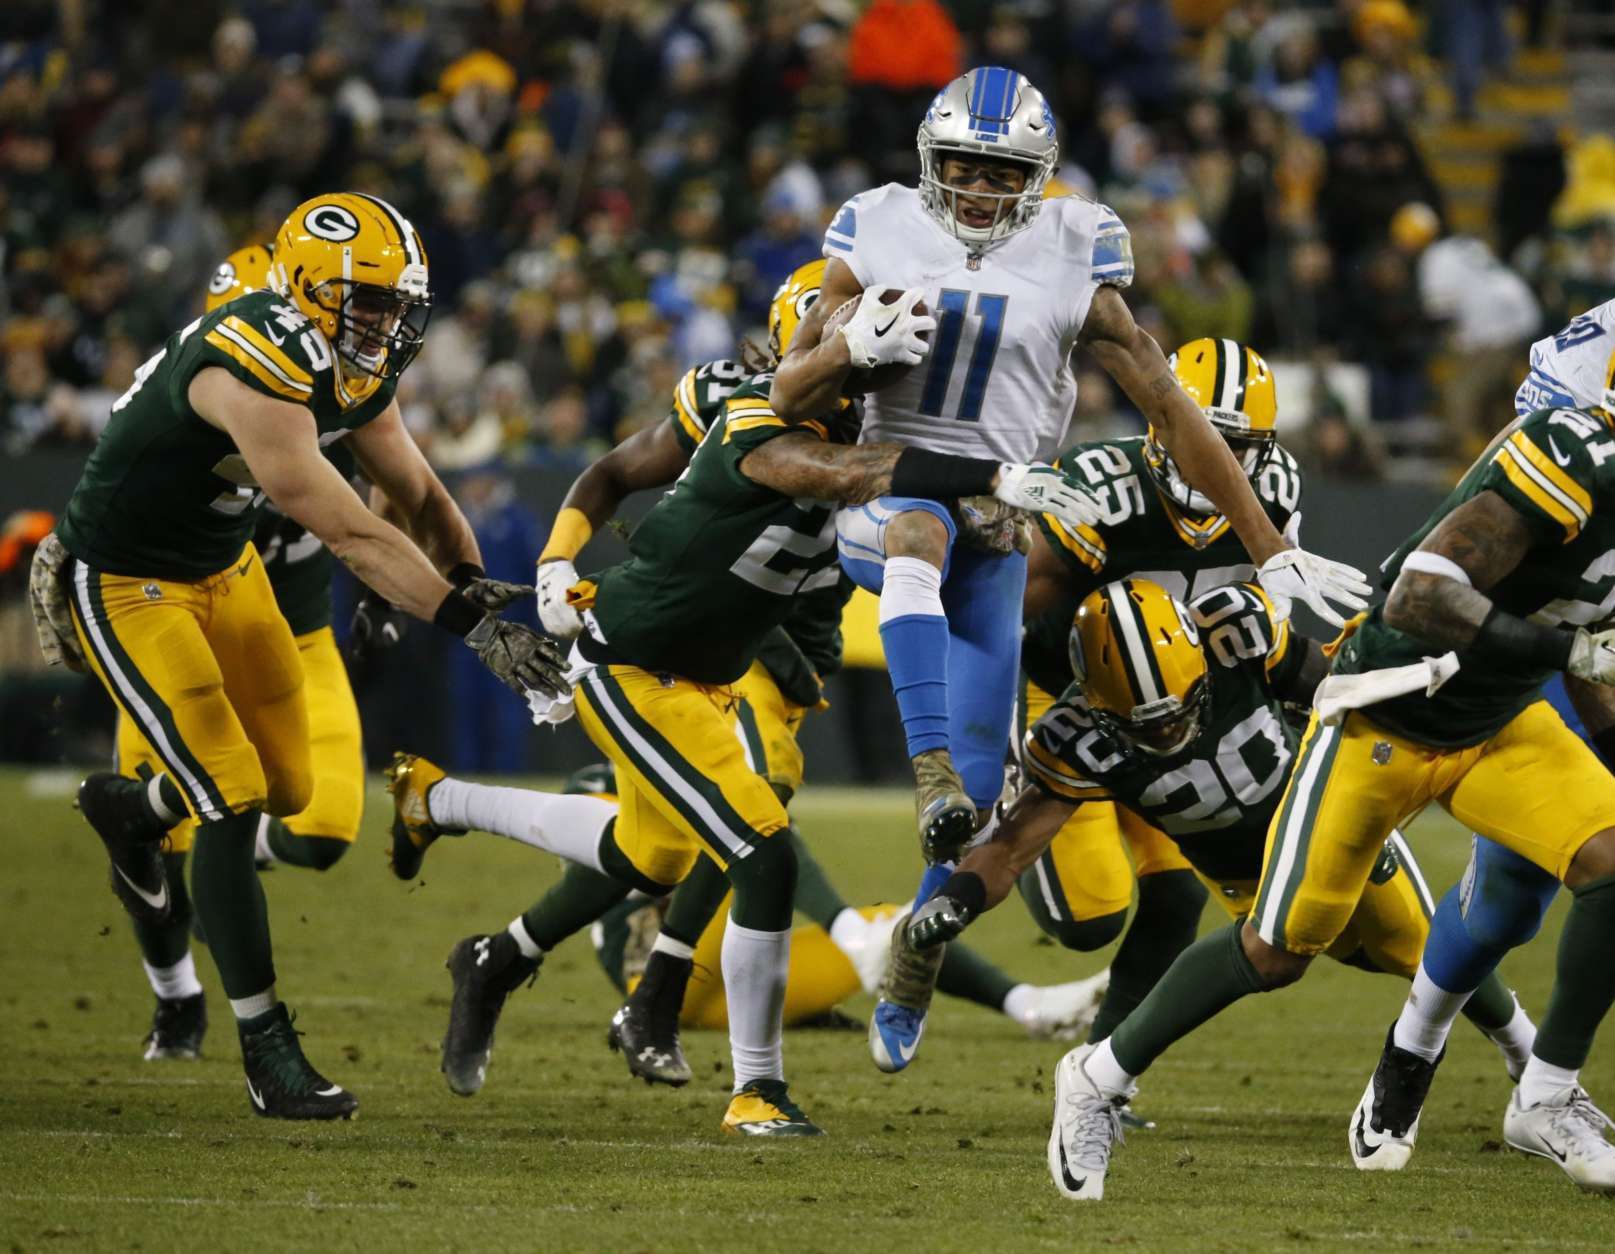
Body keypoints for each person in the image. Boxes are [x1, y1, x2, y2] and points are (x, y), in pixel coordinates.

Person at [770, 65, 1369, 1070]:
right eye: (957, 163)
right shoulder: (872, 223)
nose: (972, 185)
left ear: (1036, 173)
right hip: (887, 489)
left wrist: (1272, 546)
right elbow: (787, 394)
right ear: (927, 158)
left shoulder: (1072, 247)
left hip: (1001, 524)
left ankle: (916, 955)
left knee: (975, 778)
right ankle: (922, 776)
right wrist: (843, 348)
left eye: (998, 170)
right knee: (917, 539)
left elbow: (1172, 412)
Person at [389, 355, 1098, 1136]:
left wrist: (977, 516)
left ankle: (437, 802)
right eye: (858, 374)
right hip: (632, 665)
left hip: (711, 677)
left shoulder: (860, 441)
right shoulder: (750, 420)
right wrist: (555, 560)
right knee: (761, 847)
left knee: (648, 856)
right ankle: (754, 1087)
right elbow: (829, 474)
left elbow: (886, 504)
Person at [28, 193, 566, 1120]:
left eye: (398, 305)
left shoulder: (345, 368)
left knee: (288, 787)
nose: (387, 324)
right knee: (231, 794)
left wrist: (471, 577)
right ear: (310, 293)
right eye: (368, 303)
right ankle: (265, 1045)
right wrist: (469, 628)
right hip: (126, 579)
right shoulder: (247, 363)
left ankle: (133, 811)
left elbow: (421, 497)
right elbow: (353, 532)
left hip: (223, 567)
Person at [1039, 371, 1615, 1196]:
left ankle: (1548, 1094)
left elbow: (1588, 628)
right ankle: (1097, 1075)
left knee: (1609, 861)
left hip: (1494, 722)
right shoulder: (1570, 455)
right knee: (1275, 952)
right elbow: (1422, 597)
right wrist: (1565, 656)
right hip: (1385, 711)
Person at [905, 578, 1532, 1200]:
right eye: (1145, 725)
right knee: (1302, 955)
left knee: (1414, 943)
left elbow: (1333, 681)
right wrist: (956, 898)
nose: (1169, 731)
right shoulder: (1076, 739)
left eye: (1184, 706)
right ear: (1096, 705)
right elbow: (1011, 849)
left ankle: (1530, 1060)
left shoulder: (1235, 630)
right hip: (1239, 873)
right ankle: (1099, 1077)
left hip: (1323, 817)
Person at [103, 242, 408, 1063]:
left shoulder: (328, 389)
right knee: (162, 852)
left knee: (324, 824)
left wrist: (387, 589)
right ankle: (176, 997)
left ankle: (216, 850)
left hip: (290, 637)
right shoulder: (200, 394)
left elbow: (397, 483)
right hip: (181, 618)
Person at [1351, 304, 1615, 1176]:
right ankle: (1418, 1044)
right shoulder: (1584, 397)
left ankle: (1543, 1085)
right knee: (1512, 895)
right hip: (1542, 625)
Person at [1004, 339, 1303, 1073]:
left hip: (1186, 709)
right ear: (1161, 423)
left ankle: (1103, 1066)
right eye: (1207, 434)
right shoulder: (1100, 488)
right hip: (1069, 695)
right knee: (1088, 920)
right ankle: (1008, 801)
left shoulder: (1275, 490)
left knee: (1174, 892)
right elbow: (1009, 610)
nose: (1218, 456)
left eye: (1239, 444)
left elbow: (1268, 609)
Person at [393, 761, 1110, 1043]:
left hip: (715, 970)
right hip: (672, 978)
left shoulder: (657, 759)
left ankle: (1030, 1008)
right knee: (751, 820)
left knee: (895, 924)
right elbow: (628, 883)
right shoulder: (600, 786)